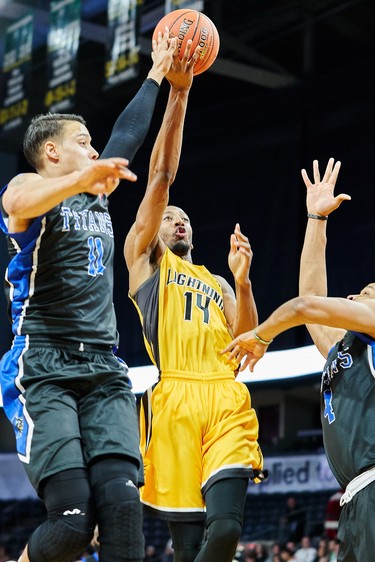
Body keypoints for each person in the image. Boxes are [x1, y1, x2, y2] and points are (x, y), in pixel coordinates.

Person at [0, 29, 183, 562]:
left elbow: (128, 133)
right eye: (84, 142)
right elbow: (22, 197)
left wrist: (159, 74)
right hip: (43, 365)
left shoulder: (95, 187)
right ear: (51, 152)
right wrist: (85, 177)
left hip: (103, 366)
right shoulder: (25, 191)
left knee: (126, 516)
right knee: (74, 522)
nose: (98, 151)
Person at [124, 26, 265, 562]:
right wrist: (178, 95)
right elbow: (161, 175)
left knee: (226, 531)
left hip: (224, 397)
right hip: (175, 400)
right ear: (155, 227)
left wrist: (245, 281)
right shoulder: (144, 262)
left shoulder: (217, 280)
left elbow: (246, 343)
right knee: (188, 549)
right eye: (170, 218)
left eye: (184, 218)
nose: (178, 221)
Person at [222, 157, 375, 561]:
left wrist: (260, 334)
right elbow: (312, 290)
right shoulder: (345, 351)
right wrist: (315, 219)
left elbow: (306, 305)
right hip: (357, 499)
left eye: (364, 291)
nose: (354, 295)